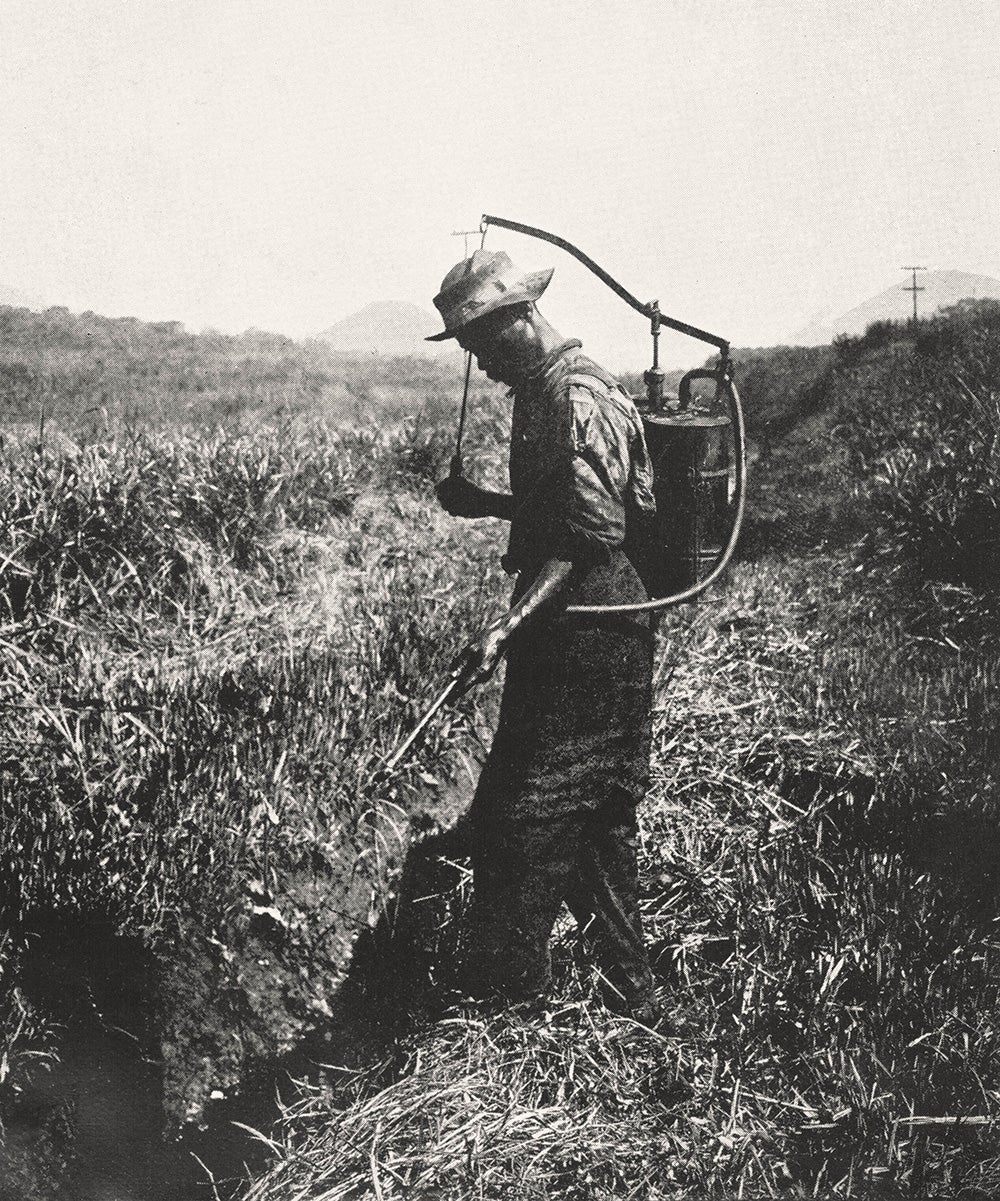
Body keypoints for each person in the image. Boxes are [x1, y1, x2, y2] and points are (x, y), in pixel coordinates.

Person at [428, 248, 659, 1022]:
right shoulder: (540, 390)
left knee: (528, 814)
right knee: (586, 815)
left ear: (520, 319)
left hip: (595, 628)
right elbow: (553, 504)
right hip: (572, 622)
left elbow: (589, 536)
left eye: (485, 347)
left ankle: (506, 1007)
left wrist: (506, 625)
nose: (484, 366)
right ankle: (635, 995)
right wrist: (487, 502)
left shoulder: (576, 394)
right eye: (473, 353)